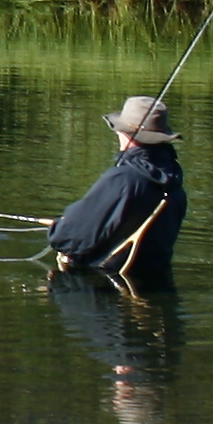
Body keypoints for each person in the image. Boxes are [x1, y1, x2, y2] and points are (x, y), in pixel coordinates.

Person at [46, 92, 185, 282]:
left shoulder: (123, 179)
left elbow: (68, 239)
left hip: (103, 290)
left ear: (123, 133)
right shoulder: (175, 183)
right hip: (156, 281)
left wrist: (60, 227)